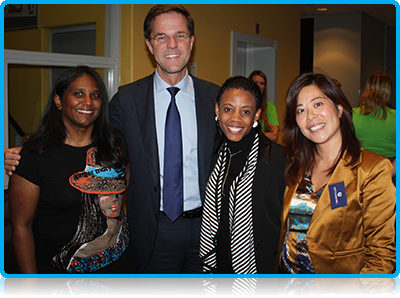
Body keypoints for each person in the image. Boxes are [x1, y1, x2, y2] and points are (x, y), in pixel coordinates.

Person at [5, 4, 219, 274]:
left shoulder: (215, 98)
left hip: (207, 227)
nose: (172, 44)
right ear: (149, 45)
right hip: (153, 230)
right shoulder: (127, 100)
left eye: (179, 35)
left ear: (191, 41)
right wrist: (26, 154)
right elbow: (88, 132)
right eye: (161, 37)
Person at [7, 66, 133, 274]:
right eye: (78, 94)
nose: (88, 102)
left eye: (95, 95)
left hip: (122, 268)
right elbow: (22, 226)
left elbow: (126, 185)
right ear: (58, 101)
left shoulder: (116, 143)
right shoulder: (35, 156)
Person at [277, 72, 396, 274]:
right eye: (301, 110)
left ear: (339, 108)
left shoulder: (372, 170)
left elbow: (381, 258)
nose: (310, 116)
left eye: (318, 104)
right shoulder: (296, 166)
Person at [200, 76, 287, 274]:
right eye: (228, 109)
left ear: (256, 115)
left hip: (257, 272)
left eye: (245, 112)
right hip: (216, 267)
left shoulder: (279, 160)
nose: (235, 119)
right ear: (217, 110)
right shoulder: (209, 153)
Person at [352, 71, 396, 160]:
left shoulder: (352, 114)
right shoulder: (395, 116)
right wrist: (389, 173)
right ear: (388, 92)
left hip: (361, 162)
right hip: (390, 163)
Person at [248, 70, 280, 142]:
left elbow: (274, 136)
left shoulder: (270, 107)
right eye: (256, 82)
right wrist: (264, 134)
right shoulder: (243, 105)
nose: (259, 85)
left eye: (262, 83)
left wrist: (250, 136)